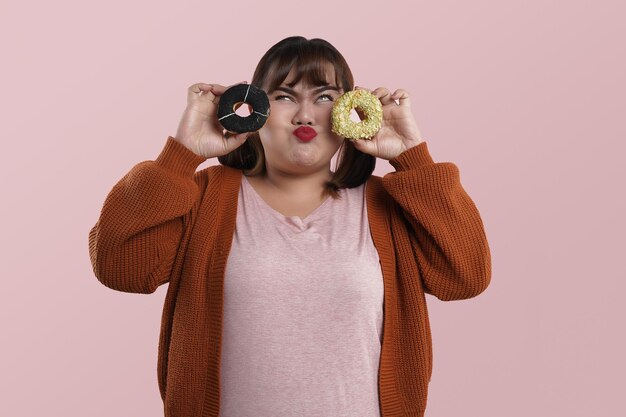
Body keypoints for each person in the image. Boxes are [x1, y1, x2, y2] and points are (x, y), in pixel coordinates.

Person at [88, 36, 492, 417]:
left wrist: (412, 156)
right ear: (254, 110)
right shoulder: (202, 197)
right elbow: (122, 269)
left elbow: (465, 278)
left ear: (349, 111)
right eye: (284, 96)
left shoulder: (390, 204)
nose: (304, 114)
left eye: (325, 97)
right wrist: (181, 155)